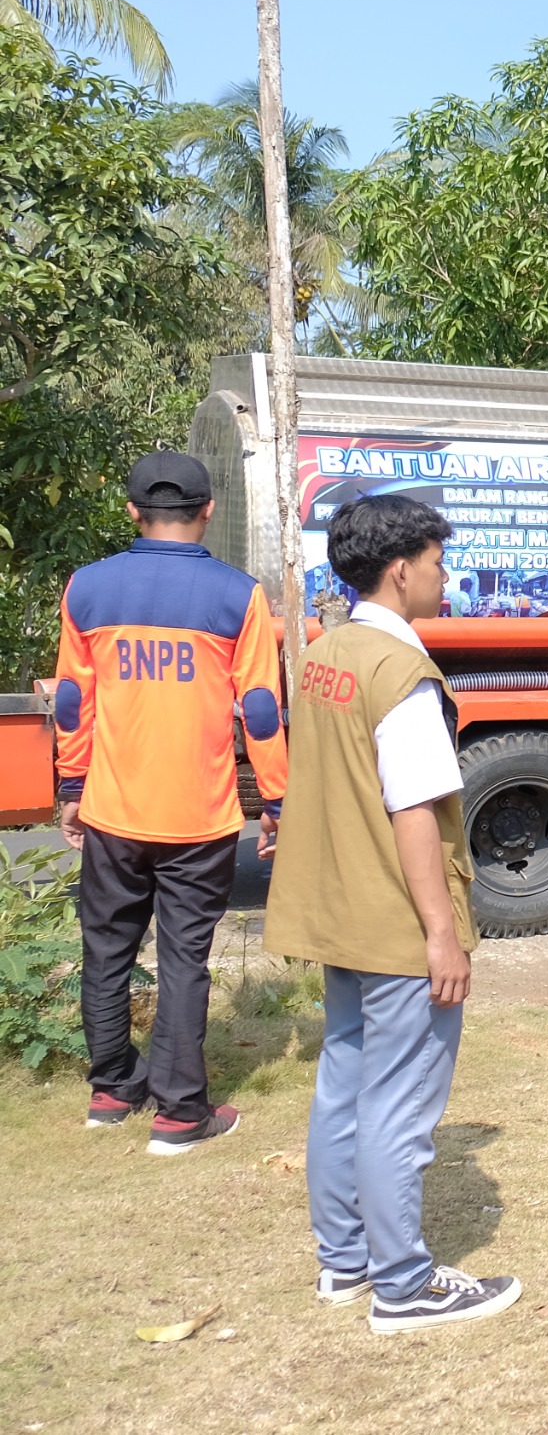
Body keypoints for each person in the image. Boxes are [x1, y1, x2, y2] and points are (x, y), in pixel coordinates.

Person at [262, 494, 523, 1332]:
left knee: (345, 1084)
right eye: (441, 562)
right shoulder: (404, 676)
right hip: (396, 922)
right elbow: (415, 809)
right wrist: (441, 933)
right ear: (402, 567)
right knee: (400, 1105)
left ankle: (344, 1262)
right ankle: (403, 1286)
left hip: (340, 910)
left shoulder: (327, 653)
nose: (446, 577)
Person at [56, 452, 288, 1154]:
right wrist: (275, 799)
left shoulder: (87, 589)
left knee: (106, 947)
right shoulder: (238, 597)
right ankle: (181, 1114)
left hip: (112, 811)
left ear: (132, 511)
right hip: (199, 816)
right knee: (185, 958)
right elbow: (261, 710)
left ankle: (111, 1089)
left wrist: (71, 787)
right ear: (208, 509)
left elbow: (73, 701)